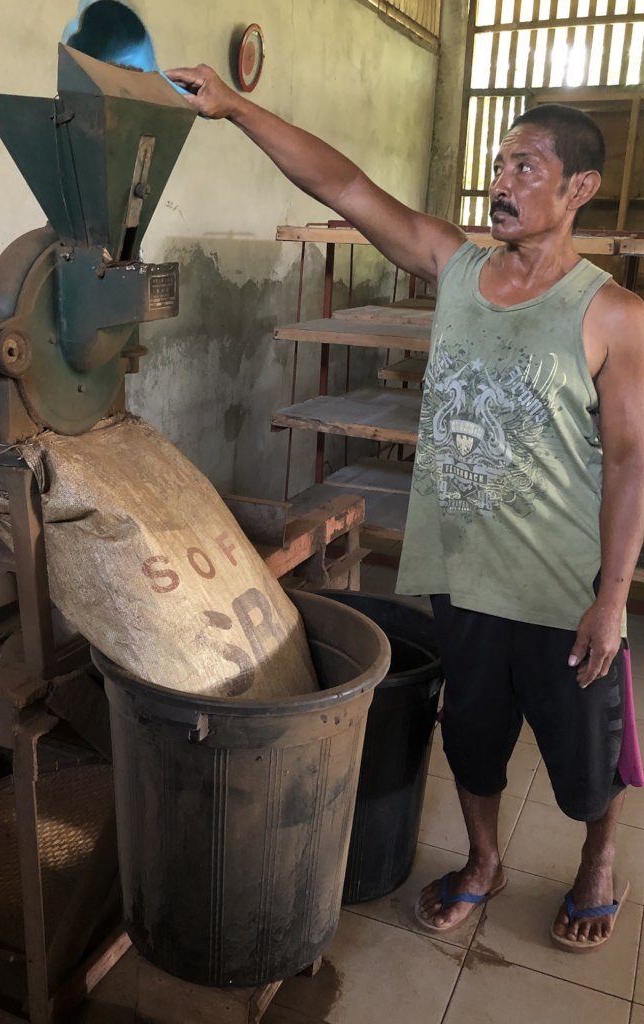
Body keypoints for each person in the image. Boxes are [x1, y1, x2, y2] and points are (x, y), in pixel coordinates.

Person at [165, 64, 644, 952]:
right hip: (462, 575)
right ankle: (486, 859)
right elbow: (344, 186)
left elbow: (629, 463)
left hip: (559, 590)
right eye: (499, 165)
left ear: (581, 188)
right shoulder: (455, 268)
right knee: (472, 735)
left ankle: (599, 857)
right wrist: (234, 110)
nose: (502, 184)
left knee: (584, 757)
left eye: (526, 168)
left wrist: (611, 598)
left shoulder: (613, 313)